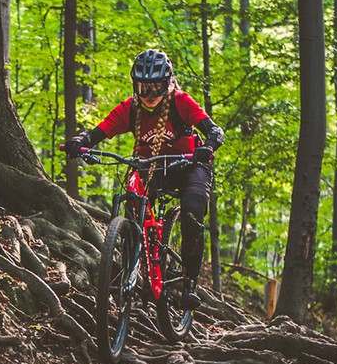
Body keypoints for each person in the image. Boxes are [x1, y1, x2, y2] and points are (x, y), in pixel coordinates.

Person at [65, 48, 224, 309]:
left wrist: (208, 145)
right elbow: (100, 131)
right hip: (150, 168)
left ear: (169, 83)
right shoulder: (131, 109)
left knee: (193, 212)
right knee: (132, 199)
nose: (149, 95)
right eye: (143, 87)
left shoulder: (181, 102)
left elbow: (213, 129)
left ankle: (189, 283)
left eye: (157, 87)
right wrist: (81, 142)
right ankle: (134, 267)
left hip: (189, 166)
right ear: (135, 85)